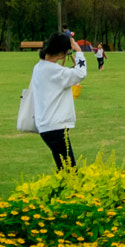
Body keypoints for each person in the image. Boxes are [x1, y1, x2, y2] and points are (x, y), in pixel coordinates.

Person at [30, 30, 87, 170]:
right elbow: (81, 74)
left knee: (64, 170)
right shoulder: (54, 71)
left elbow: (63, 78)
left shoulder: (39, 67)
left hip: (46, 125)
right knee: (70, 173)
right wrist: (79, 52)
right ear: (61, 53)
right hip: (55, 127)